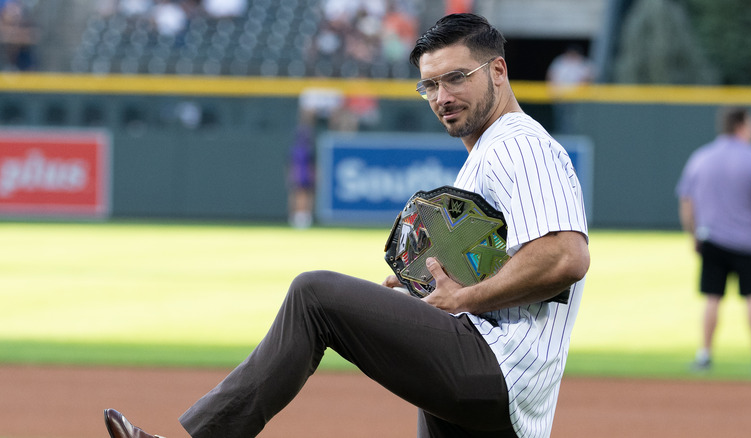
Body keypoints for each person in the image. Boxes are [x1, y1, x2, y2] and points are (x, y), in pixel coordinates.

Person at [104, 13, 590, 438]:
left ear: (498, 71)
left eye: (457, 77)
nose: (442, 96)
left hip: (496, 366)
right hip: (507, 392)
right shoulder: (489, 152)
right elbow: (506, 263)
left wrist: (461, 299)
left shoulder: (516, 144)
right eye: (430, 85)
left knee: (315, 297)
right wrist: (428, 300)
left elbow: (566, 256)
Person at [677, 106, 751, 372]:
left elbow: (686, 202)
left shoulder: (701, 156)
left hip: (712, 239)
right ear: (742, 125)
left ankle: (704, 355)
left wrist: (693, 234)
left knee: (712, 298)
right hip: (749, 240)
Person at [545, 45, 594, 134]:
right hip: (560, 97)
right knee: (560, 120)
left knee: (575, 120)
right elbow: (550, 76)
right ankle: (560, 133)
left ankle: (574, 134)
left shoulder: (583, 63)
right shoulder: (560, 62)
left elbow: (589, 78)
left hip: (577, 99)